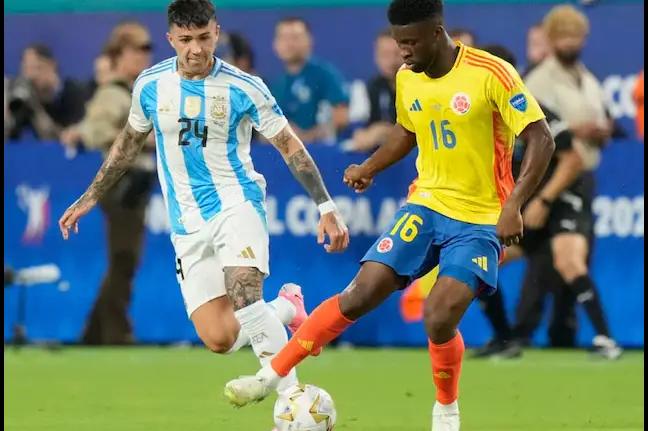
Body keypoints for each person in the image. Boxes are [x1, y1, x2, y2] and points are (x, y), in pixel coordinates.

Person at [223, 1, 554, 429]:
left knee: (439, 316)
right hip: (427, 203)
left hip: (479, 217)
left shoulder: (491, 73)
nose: (404, 51)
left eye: (412, 41)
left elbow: (541, 138)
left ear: (438, 33)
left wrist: (513, 205)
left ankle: (446, 410)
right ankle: (270, 375)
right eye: (399, 42)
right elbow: (407, 129)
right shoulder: (407, 77)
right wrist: (371, 167)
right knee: (361, 293)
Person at [58, 0, 348, 395]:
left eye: (203, 37)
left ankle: (291, 400)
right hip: (187, 221)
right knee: (220, 338)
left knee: (245, 290)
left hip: (236, 201)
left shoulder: (244, 86)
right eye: (185, 40)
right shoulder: (151, 85)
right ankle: (285, 308)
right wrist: (90, 196)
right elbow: (127, 143)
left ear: (217, 33)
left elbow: (289, 146)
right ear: (170, 39)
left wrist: (325, 205)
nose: (196, 49)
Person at [59, 21, 156, 345]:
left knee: (125, 257)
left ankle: (94, 331)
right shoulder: (113, 92)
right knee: (125, 257)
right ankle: (116, 331)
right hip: (120, 183)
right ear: (120, 54)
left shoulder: (134, 90)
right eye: (137, 50)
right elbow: (95, 132)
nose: (144, 56)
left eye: (147, 50)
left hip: (137, 181)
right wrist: (143, 140)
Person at [271, 17, 349, 144]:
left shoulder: (325, 74)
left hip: (323, 151)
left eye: (295, 37)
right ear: (275, 44)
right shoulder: (277, 84)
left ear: (309, 40)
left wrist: (306, 136)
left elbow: (341, 117)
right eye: (283, 38)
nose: (289, 43)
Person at [7, 44, 88, 141]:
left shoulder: (74, 93)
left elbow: (70, 138)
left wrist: (36, 110)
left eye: (37, 67)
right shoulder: (25, 98)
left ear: (52, 66)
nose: (31, 76)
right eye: (26, 69)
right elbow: (10, 135)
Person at [344, 29, 402, 153]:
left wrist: (385, 130)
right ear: (376, 56)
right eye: (385, 55)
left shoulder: (421, 86)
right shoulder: (369, 87)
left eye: (397, 54)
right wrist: (366, 134)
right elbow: (358, 130)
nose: (392, 61)